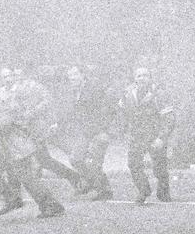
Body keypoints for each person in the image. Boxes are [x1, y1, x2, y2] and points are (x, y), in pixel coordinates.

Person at [0, 72, 65, 218]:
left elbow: (5, 124)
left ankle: (51, 206)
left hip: (16, 143)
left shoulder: (2, 97)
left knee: (26, 177)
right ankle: (14, 200)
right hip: (6, 143)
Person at [120, 66, 174, 203]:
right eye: (139, 76)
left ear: (150, 78)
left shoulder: (159, 95)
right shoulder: (127, 94)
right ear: (134, 79)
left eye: (145, 75)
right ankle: (143, 190)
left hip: (154, 135)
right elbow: (122, 115)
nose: (142, 78)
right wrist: (124, 131)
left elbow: (169, 118)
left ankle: (163, 191)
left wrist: (161, 138)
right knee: (133, 164)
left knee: (159, 166)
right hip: (136, 136)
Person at [64, 65, 116, 201]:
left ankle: (105, 190)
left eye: (75, 74)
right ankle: (90, 183)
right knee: (76, 159)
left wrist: (104, 129)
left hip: (99, 131)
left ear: (82, 75)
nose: (72, 77)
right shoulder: (73, 92)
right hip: (84, 132)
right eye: (69, 75)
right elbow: (72, 113)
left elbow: (107, 110)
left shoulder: (94, 89)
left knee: (94, 162)